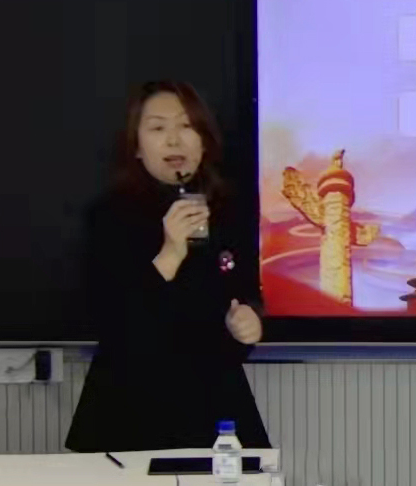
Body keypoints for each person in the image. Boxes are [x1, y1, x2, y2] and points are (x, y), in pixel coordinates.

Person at [66, 80, 270, 453]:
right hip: (128, 413)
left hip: (214, 409)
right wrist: (170, 254)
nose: (174, 141)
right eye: (158, 128)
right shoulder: (109, 217)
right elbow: (113, 323)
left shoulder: (230, 211)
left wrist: (248, 322)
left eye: (186, 126)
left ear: (204, 141)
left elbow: (244, 294)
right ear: (137, 147)